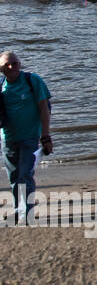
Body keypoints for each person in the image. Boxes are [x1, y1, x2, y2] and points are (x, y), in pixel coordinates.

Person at [0, 52, 53, 221]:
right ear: (0, 69)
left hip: (30, 137)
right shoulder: (1, 86)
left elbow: (44, 108)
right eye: (6, 65)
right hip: (7, 139)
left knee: (25, 175)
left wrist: (45, 136)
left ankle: (27, 210)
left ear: (20, 64)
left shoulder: (32, 81)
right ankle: (18, 208)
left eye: (14, 63)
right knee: (14, 177)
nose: (11, 67)